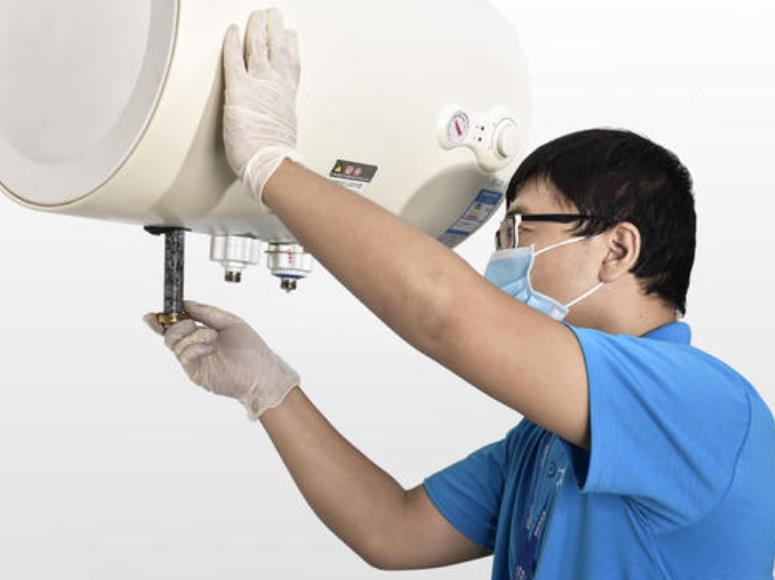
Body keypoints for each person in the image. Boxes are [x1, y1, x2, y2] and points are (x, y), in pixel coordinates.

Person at [143, 8, 775, 579]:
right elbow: (392, 530)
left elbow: (444, 312)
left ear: (617, 249)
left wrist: (271, 167)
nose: (503, 255)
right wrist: (270, 390)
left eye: (520, 228)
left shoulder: (702, 405)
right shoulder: (546, 441)